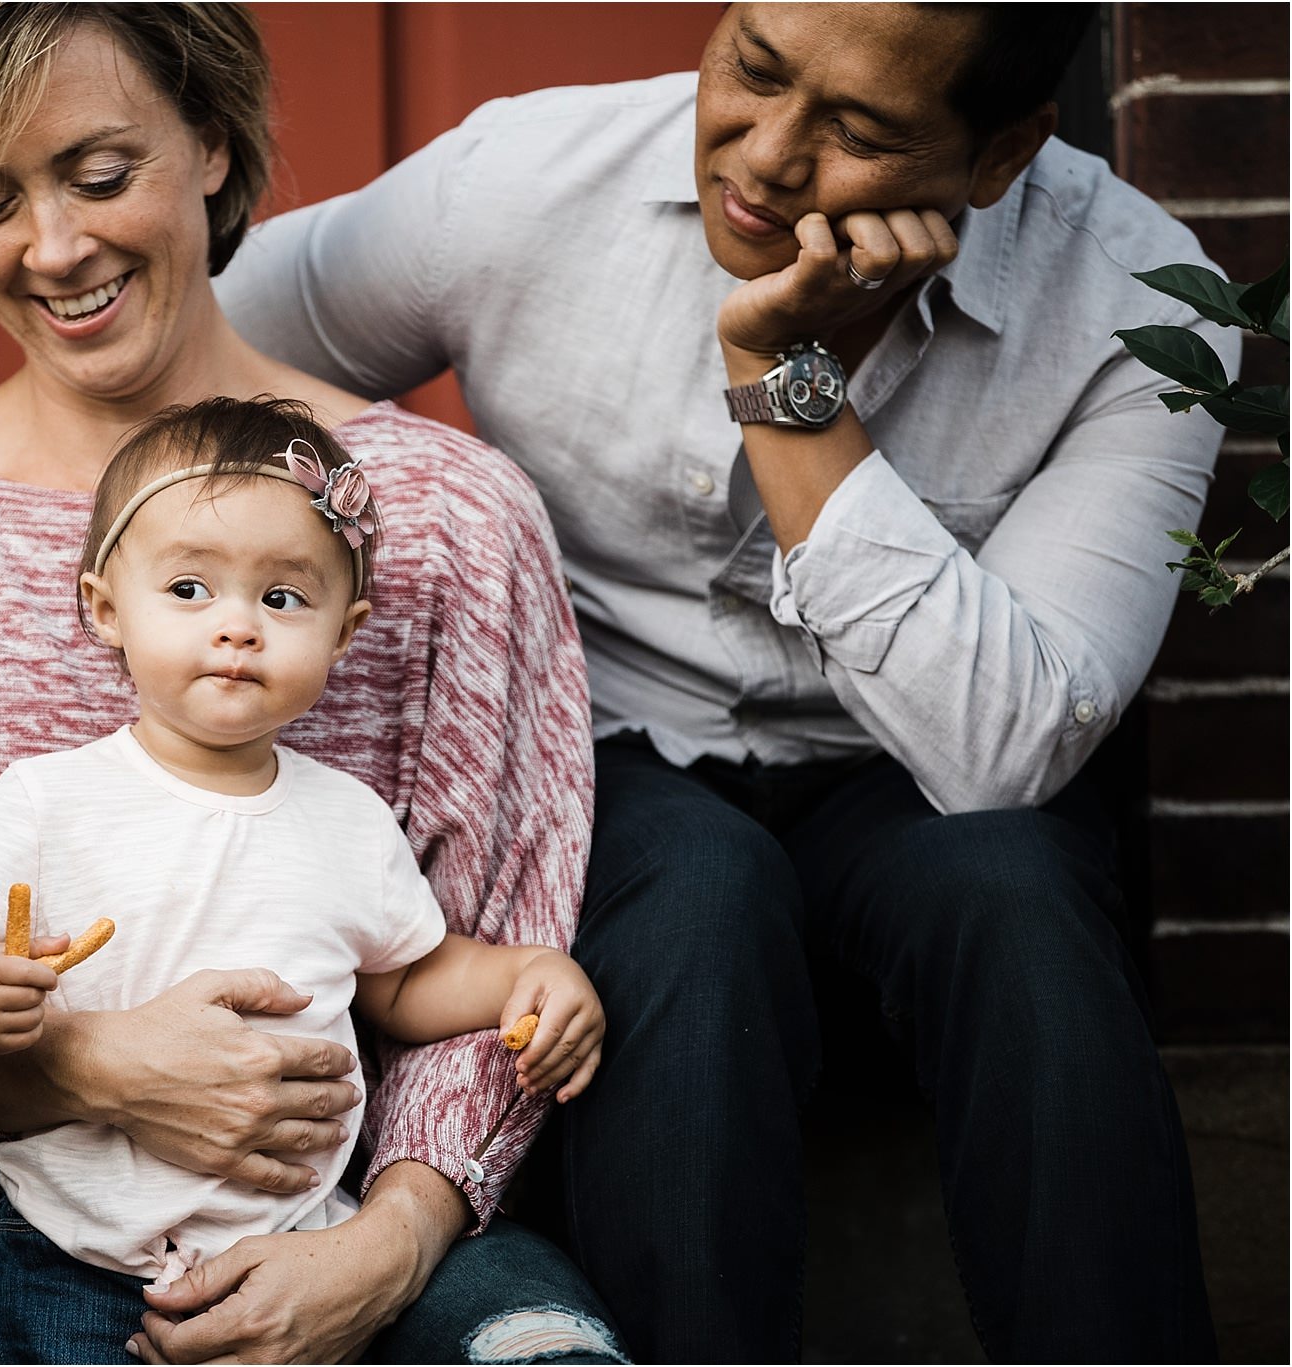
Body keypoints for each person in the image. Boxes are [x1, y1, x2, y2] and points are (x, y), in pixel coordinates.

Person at [217, 3, 1230, 1361]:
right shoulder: (526, 179)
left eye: (862, 130)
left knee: (1021, 894)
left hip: (914, 779)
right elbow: (200, 337)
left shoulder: (1142, 304)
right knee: (697, 891)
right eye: (752, 68)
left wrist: (783, 375)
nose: (764, 154)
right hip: (616, 759)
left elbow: (1001, 753)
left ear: (1001, 156)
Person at [0, 5, 624, 1363]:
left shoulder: (447, 517)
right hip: (6, 1203)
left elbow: (482, 937)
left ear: (209, 140)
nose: (57, 246)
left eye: (97, 174)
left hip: (372, 1191)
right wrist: (82, 1065)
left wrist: (386, 1243)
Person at [0, 396, 607, 1364]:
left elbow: (402, 982)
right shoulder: (51, 799)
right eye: (186, 588)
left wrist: (526, 975)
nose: (236, 628)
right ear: (103, 608)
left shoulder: (347, 820)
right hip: (77, 1253)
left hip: (292, 1248)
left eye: (282, 599)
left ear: (345, 632)